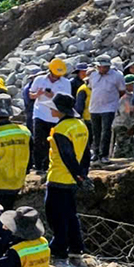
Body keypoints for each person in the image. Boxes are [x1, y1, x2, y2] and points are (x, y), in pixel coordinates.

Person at [44, 94, 89, 258]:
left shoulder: (61, 129)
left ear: (59, 110)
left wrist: (77, 173)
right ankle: (77, 247)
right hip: (72, 180)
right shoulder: (81, 125)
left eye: (52, 107)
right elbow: (85, 153)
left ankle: (59, 247)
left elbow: (66, 155)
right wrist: (82, 174)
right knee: (70, 214)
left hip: (58, 177)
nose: (50, 109)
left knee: (55, 215)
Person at [27, 59, 73, 173]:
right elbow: (30, 95)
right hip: (40, 113)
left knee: (52, 142)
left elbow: (67, 99)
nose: (56, 77)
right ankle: (38, 166)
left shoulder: (65, 83)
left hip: (55, 116)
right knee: (38, 140)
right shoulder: (39, 79)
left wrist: (53, 96)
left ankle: (48, 165)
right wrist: (37, 94)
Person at [84, 57, 128, 160]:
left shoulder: (117, 75)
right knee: (96, 131)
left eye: (104, 67)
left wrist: (113, 100)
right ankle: (96, 153)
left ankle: (104, 154)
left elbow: (122, 91)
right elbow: (91, 87)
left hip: (109, 107)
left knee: (106, 131)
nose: (102, 69)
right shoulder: (93, 75)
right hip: (95, 107)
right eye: (100, 67)